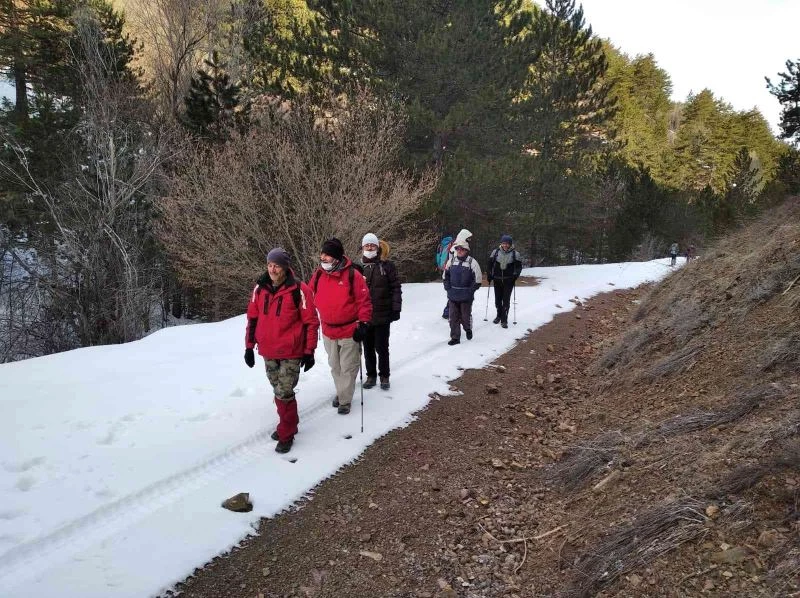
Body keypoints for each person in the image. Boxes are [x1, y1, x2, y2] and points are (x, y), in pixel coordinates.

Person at [244, 248, 319, 453]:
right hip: (268, 350)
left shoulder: (299, 289)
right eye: (269, 264)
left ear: (285, 267)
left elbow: (311, 322)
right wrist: (249, 347)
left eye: (276, 265)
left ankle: (286, 433)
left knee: (284, 391)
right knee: (277, 390)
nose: (272, 269)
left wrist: (309, 351)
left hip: (291, 351)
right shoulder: (260, 289)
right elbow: (252, 318)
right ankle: (289, 424)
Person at [309, 238, 373, 415]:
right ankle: (341, 391)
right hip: (328, 330)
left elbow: (364, 302)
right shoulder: (319, 275)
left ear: (336, 258)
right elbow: (308, 296)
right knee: (335, 366)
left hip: (349, 330)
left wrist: (364, 323)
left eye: (327, 255)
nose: (323, 258)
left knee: (348, 366)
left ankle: (345, 399)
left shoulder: (353, 275)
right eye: (322, 254)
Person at [355, 233, 402, 391]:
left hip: (383, 314)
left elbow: (396, 288)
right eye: (367, 245)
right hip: (364, 316)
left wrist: (396, 308)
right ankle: (371, 375)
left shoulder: (387, 266)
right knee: (367, 348)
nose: (369, 247)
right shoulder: (357, 267)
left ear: (377, 247)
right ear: (362, 247)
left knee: (382, 348)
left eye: (372, 245)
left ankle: (384, 376)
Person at [443, 240, 482, 345]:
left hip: (466, 297)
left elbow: (478, 280)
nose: (459, 251)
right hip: (453, 296)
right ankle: (455, 338)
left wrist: (470, 291)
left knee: (465, 317)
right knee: (453, 318)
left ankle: (468, 329)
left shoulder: (472, 262)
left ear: (466, 250)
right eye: (458, 249)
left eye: (462, 249)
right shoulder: (451, 261)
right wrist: (448, 288)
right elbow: (445, 276)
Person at [487, 234, 522, 328]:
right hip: (497, 280)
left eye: (507, 243)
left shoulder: (515, 254)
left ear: (510, 244)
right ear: (501, 243)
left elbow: (519, 267)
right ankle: (498, 315)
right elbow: (489, 265)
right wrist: (489, 275)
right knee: (497, 301)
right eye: (503, 243)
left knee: (506, 301)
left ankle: (504, 320)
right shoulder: (495, 252)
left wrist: (515, 276)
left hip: (508, 281)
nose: (505, 245)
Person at [441, 228, 473, 319]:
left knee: (454, 296)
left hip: (454, 275)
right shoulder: (457, 247)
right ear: (464, 237)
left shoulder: (455, 245)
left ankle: (448, 312)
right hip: (454, 276)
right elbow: (457, 262)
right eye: (468, 238)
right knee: (454, 296)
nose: (469, 240)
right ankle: (449, 313)